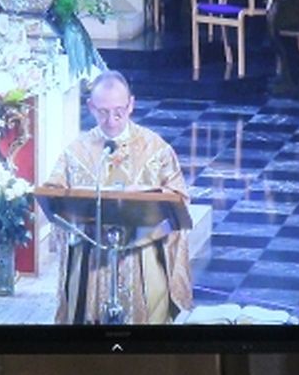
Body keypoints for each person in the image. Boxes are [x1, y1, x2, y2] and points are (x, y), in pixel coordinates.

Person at [45, 70, 192, 324]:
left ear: (131, 105)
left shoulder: (155, 149)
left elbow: (179, 200)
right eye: (103, 112)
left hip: (141, 256)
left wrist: (147, 196)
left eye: (119, 111)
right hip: (91, 256)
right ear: (91, 107)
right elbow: (53, 196)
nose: (112, 120)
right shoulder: (76, 152)